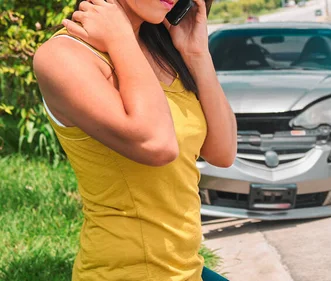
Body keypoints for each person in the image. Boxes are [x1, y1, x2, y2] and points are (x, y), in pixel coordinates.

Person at [32, 0, 236, 280]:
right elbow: (157, 144)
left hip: (187, 269)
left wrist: (197, 53)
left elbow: (223, 152)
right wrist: (120, 37)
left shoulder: (160, 49)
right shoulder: (64, 55)